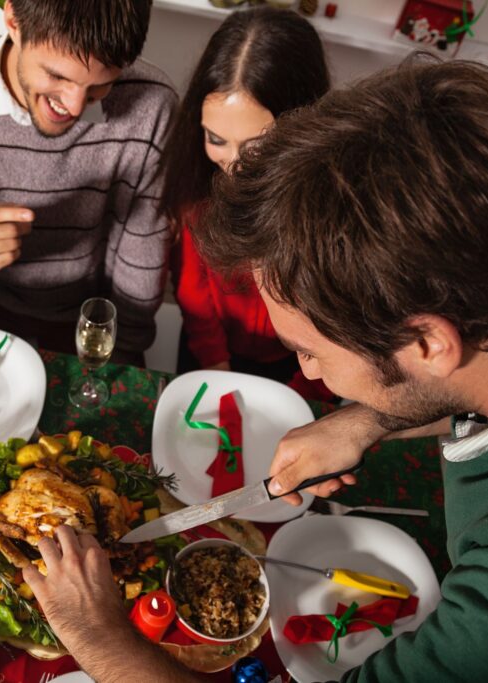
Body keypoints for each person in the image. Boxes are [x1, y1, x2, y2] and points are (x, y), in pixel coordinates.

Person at [23, 60, 488, 681]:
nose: (306, 370)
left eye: (311, 352)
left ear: (428, 343)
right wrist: (363, 421)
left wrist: (91, 629)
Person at [0, 0, 175, 361]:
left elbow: (144, 244)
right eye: (57, 76)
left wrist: (125, 348)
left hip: (89, 311)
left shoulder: (153, 105)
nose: (75, 107)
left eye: (100, 85)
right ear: (13, 19)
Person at [161, 6, 332, 400]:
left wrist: (304, 393)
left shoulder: (331, 202)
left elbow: (333, 325)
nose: (235, 167)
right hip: (209, 354)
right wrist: (217, 371)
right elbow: (194, 294)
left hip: (303, 368)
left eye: (257, 145)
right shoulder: (194, 183)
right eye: (216, 140)